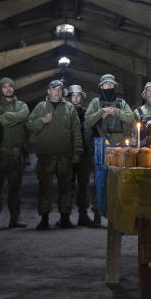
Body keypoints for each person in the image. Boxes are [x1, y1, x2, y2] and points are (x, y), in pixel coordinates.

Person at [26, 79, 82, 230]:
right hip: (46, 156)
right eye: (54, 89)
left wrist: (77, 151)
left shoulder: (70, 108)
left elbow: (76, 131)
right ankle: (44, 219)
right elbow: (30, 125)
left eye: (60, 89)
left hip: (65, 155)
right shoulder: (41, 107)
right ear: (48, 91)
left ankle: (65, 218)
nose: (57, 92)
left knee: (66, 188)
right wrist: (42, 120)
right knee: (45, 188)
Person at [0, 77, 29, 229]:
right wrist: (15, 118)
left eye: (10, 86)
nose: (8, 89)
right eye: (4, 87)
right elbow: (2, 121)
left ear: (14, 88)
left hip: (16, 153)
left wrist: (8, 116)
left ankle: (14, 219)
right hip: (0, 153)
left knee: (15, 189)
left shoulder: (22, 105)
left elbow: (23, 116)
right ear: (0, 89)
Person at [66, 84, 96, 226]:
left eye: (79, 95)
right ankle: (64, 215)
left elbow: (94, 133)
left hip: (84, 154)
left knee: (83, 185)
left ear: (82, 97)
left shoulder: (87, 114)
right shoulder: (64, 113)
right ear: (69, 97)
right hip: (67, 154)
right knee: (67, 185)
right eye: (73, 95)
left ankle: (82, 215)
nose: (76, 98)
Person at [84, 74, 134, 143]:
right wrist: (101, 112)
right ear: (101, 86)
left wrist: (117, 111)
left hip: (118, 143)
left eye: (111, 83)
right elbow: (87, 121)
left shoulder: (121, 102)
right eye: (106, 83)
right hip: (100, 143)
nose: (109, 85)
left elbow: (131, 118)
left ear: (114, 86)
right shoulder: (95, 102)